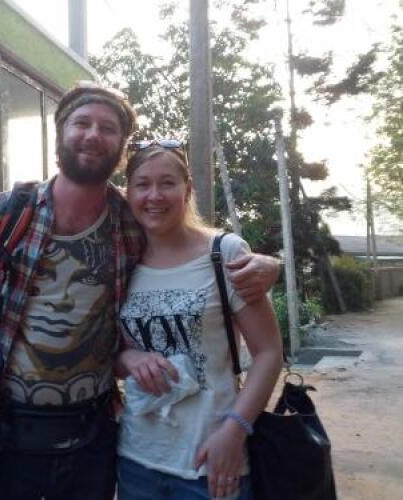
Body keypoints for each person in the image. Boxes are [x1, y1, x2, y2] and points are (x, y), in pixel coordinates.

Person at [0, 83, 281, 500]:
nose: (92, 134)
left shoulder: (130, 220)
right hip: (2, 434)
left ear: (120, 148)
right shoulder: (7, 213)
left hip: (92, 442)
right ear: (60, 133)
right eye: (81, 123)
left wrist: (268, 264)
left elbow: (184, 238)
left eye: (107, 128)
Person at [115, 142, 283, 500]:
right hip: (136, 461)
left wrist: (235, 431)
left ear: (187, 189)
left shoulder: (224, 253)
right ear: (127, 192)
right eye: (142, 184)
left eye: (167, 183)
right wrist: (129, 358)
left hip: (212, 462)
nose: (154, 195)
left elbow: (269, 352)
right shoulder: (121, 262)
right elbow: (109, 354)